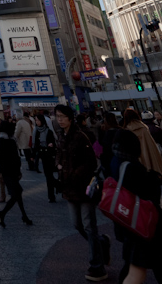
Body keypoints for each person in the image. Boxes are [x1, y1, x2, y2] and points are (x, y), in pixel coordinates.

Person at [110, 128, 162, 284]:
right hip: (148, 225)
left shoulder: (115, 161)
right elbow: (149, 196)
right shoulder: (133, 167)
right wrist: (153, 178)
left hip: (131, 225)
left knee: (136, 272)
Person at [55, 105, 109, 282]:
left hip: (85, 187)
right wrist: (58, 166)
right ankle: (101, 243)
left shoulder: (82, 136)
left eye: (63, 116)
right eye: (57, 116)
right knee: (77, 224)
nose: (60, 119)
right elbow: (59, 156)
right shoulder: (61, 136)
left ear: (70, 118)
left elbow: (92, 162)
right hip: (69, 188)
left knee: (88, 225)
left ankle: (97, 266)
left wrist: (73, 173)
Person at [0, 119, 31, 227]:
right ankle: (2, 213)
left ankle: (24, 216)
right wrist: (18, 171)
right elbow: (15, 158)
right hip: (12, 171)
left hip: (6, 172)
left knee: (18, 193)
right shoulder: (10, 141)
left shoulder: (1, 140)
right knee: (16, 194)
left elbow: (1, 158)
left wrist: (0, 171)